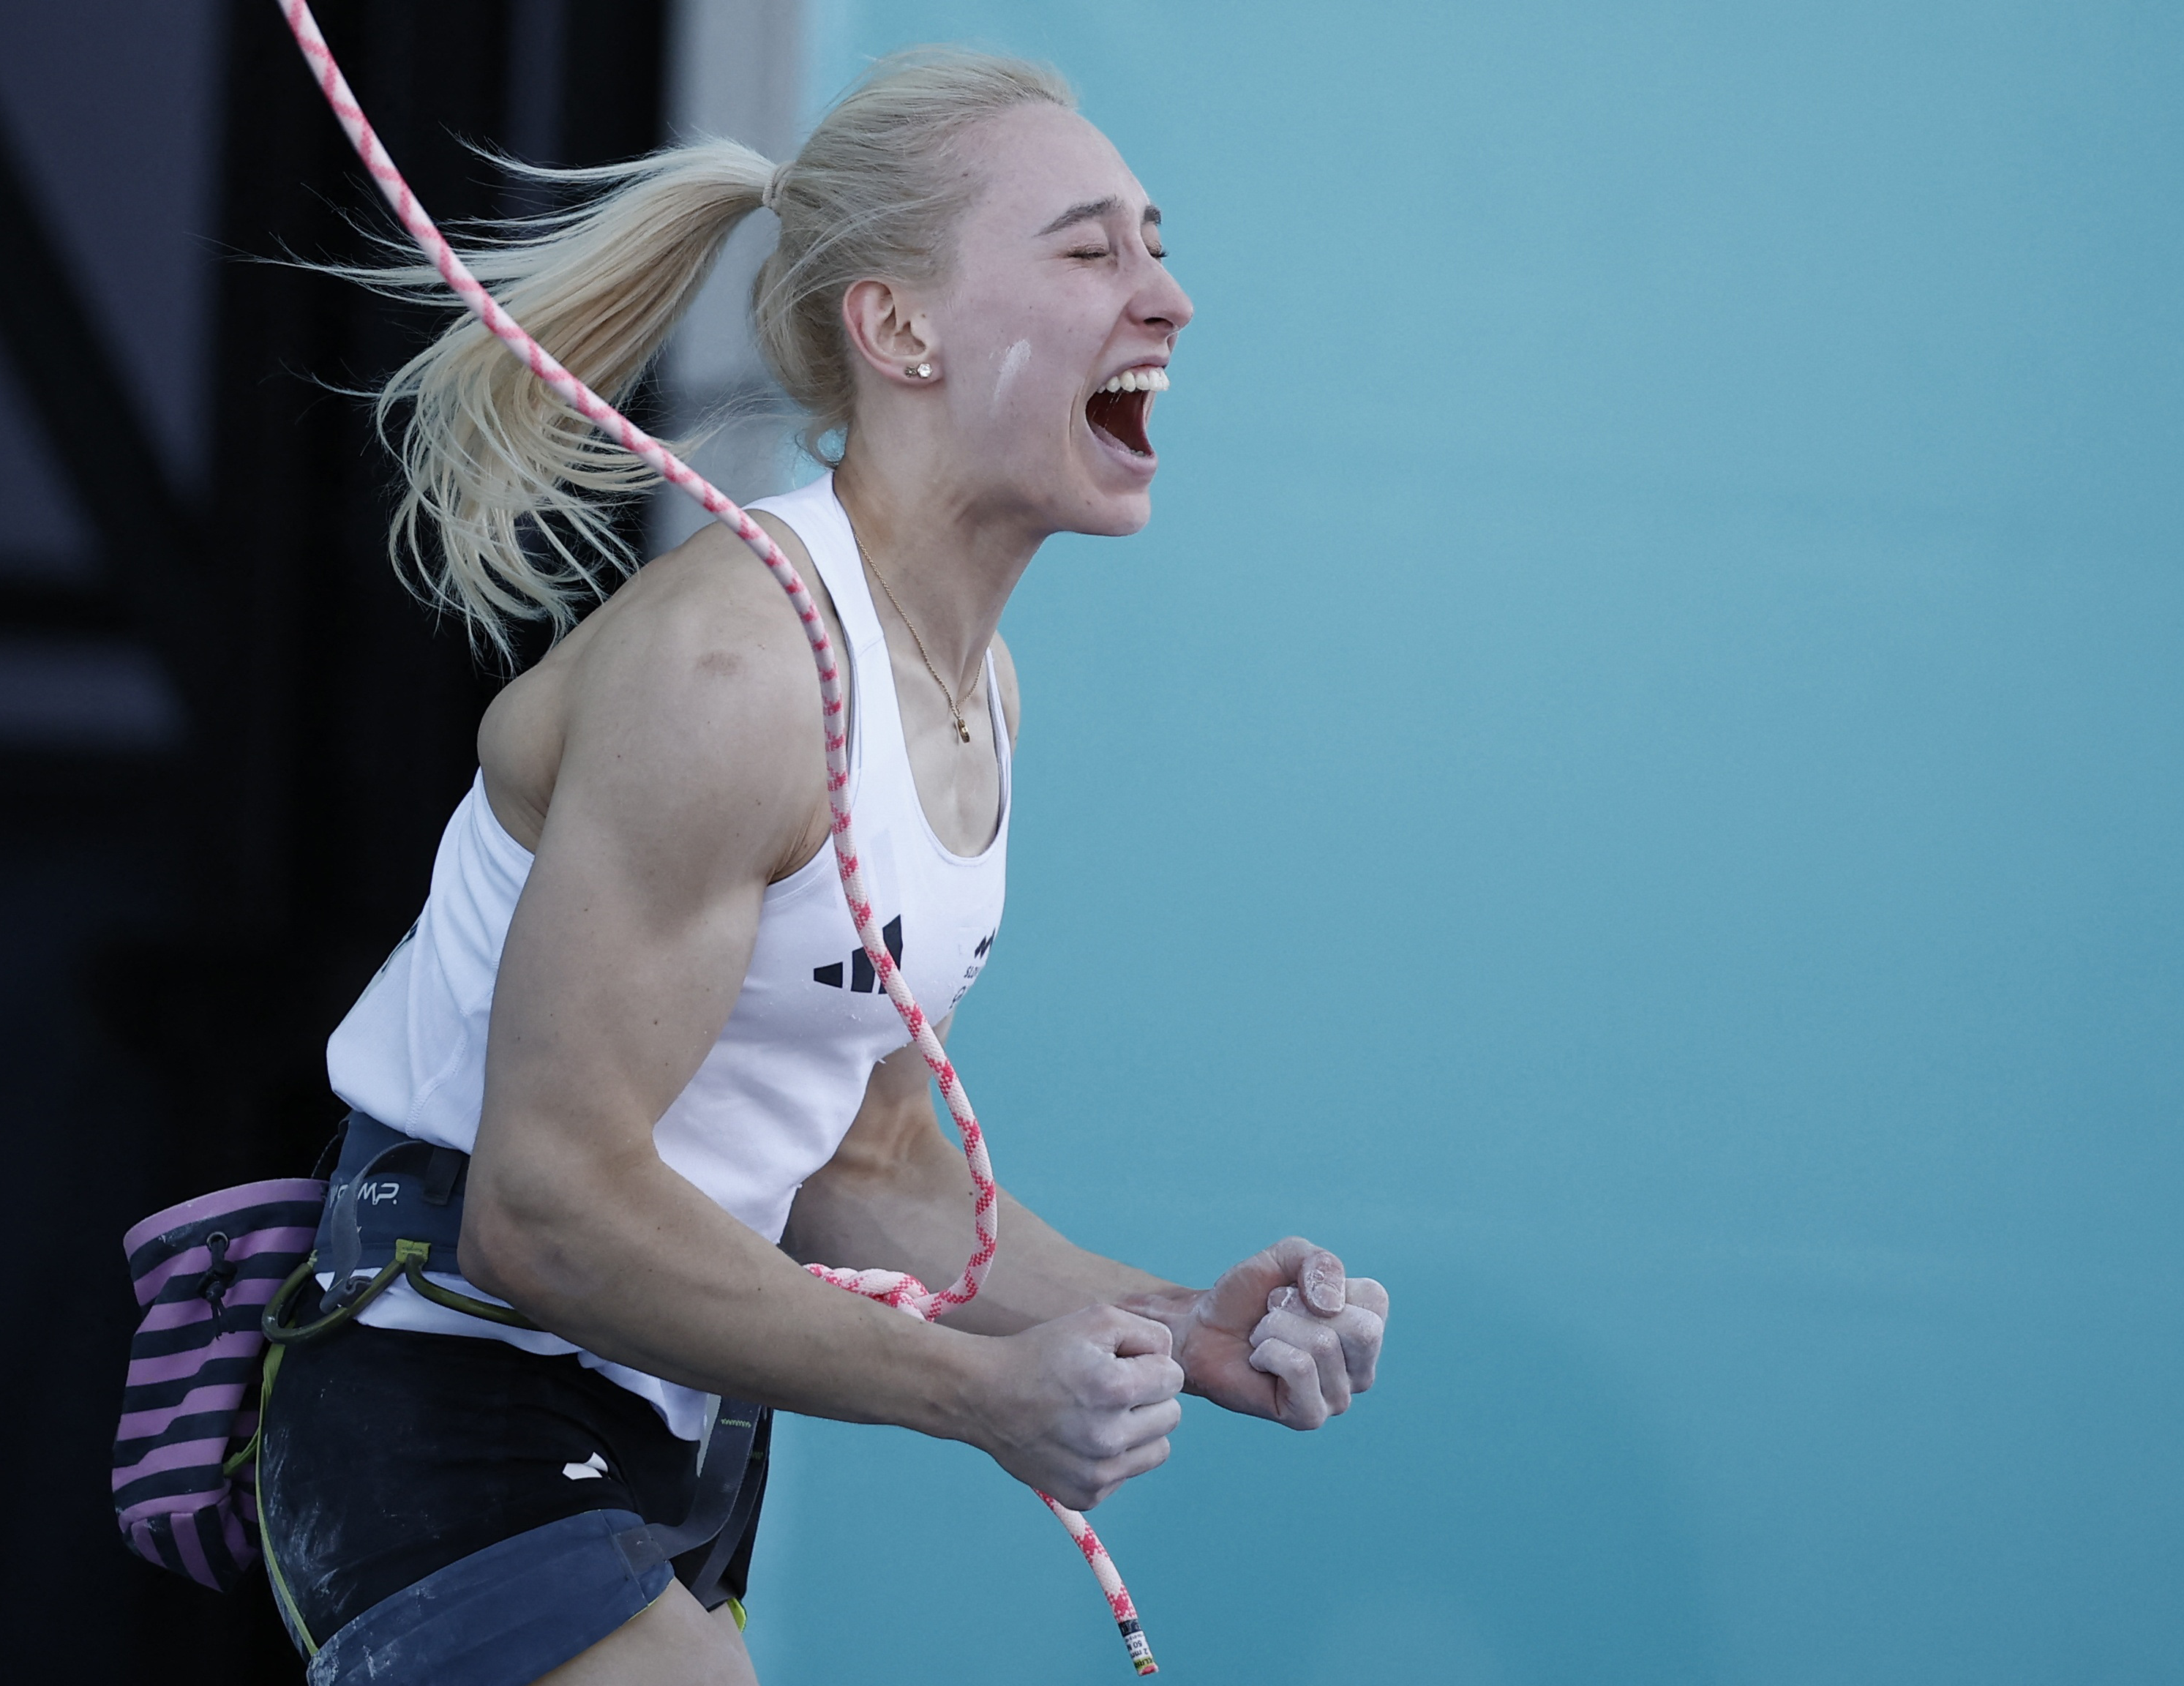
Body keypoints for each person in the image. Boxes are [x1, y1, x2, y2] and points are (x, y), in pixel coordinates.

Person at [255, 48, 1389, 1686]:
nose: (1170, 298)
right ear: (899, 330)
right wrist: (978, 1396)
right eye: (1089, 251)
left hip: (671, 1438)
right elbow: (543, 1208)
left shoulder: (975, 691)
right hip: (454, 1413)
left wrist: (1182, 1325)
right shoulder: (737, 669)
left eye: (1155, 244)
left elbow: (869, 1164)